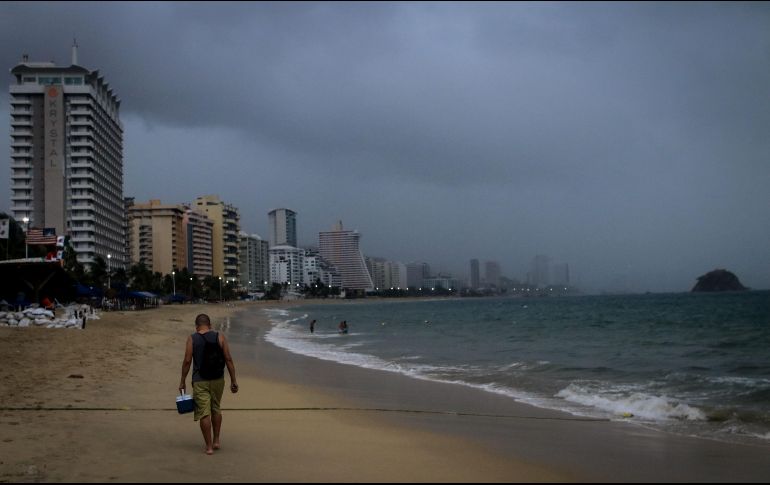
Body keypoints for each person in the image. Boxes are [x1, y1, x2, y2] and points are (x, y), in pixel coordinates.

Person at [179, 313, 239, 455]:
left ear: (196, 326)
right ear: (210, 325)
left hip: (200, 381)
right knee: (216, 408)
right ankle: (217, 440)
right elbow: (228, 359)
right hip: (218, 379)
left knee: (204, 413)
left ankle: (209, 446)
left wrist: (182, 381)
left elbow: (187, 361)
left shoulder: (192, 339)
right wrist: (233, 380)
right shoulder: (220, 336)